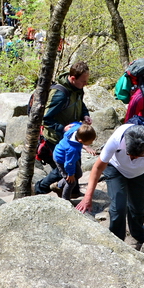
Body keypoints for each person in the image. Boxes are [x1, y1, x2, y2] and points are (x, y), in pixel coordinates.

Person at [76, 124, 144, 248]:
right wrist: (87, 197)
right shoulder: (117, 138)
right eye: (130, 155)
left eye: (138, 156)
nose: (133, 159)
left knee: (138, 208)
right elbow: (97, 167)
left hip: (141, 173)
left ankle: (139, 235)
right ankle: (116, 242)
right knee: (118, 207)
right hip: (116, 169)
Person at [34, 61, 92, 193]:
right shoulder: (60, 95)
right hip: (57, 137)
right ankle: (39, 188)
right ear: (72, 78)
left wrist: (85, 115)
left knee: (75, 168)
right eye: (83, 81)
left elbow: (80, 104)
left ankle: (73, 191)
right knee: (64, 169)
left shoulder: (77, 88)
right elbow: (45, 118)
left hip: (73, 135)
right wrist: (62, 128)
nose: (85, 84)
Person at [41, 122, 97, 200]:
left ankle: (58, 185)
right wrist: (70, 174)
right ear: (80, 140)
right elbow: (68, 164)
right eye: (90, 141)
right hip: (61, 160)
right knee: (71, 182)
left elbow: (77, 124)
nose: (91, 143)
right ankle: (65, 200)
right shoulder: (73, 149)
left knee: (78, 174)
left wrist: (72, 125)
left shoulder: (76, 129)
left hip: (66, 156)